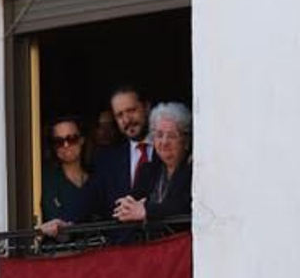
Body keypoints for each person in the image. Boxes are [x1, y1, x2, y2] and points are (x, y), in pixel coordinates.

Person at [116, 101, 192, 229]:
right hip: (151, 246)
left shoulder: (193, 171)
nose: (164, 142)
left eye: (172, 136)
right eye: (159, 135)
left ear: (185, 141)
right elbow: (131, 208)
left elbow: (185, 207)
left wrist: (147, 211)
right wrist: (125, 207)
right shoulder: (148, 170)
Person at [37, 113, 105, 234]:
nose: (66, 145)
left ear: (82, 140)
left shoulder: (98, 179)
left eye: (71, 139)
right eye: (59, 141)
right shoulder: (46, 180)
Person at [93, 83, 158, 203]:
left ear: (147, 107)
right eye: (119, 115)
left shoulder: (169, 146)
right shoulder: (106, 161)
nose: (127, 120)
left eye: (131, 110)